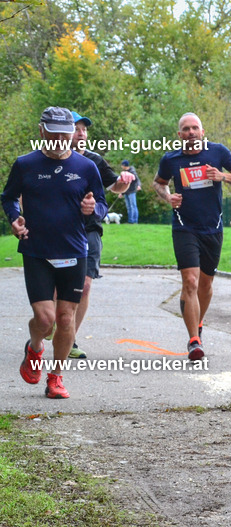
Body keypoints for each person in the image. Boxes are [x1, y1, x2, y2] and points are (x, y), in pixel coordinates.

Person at [1, 106, 108, 399]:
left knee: (65, 318)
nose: (60, 141)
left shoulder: (86, 167)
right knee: (45, 320)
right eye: (54, 135)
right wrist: (14, 219)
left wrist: (92, 209)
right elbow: (8, 197)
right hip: (37, 250)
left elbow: (102, 204)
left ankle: (56, 377)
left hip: (74, 250)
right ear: (41, 132)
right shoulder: (25, 164)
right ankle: (34, 348)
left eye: (65, 135)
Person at [153, 112, 231, 360]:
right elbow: (158, 183)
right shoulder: (171, 159)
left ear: (202, 132)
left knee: (205, 284)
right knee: (191, 283)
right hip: (184, 227)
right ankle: (194, 340)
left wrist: (223, 176)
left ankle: (198, 322)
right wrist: (167, 197)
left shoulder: (218, 152)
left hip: (212, 228)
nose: (191, 132)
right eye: (186, 129)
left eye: (195, 128)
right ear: (179, 135)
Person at [68, 112, 136, 359]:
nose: (82, 133)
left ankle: (69, 340)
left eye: (84, 129)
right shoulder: (49, 159)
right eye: (76, 128)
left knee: (84, 286)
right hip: (60, 229)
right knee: (58, 288)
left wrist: (124, 181)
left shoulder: (95, 161)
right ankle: (52, 323)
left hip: (90, 229)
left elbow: (115, 186)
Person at [120, 159, 141, 223]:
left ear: (124, 165)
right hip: (126, 191)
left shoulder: (132, 172)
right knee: (128, 207)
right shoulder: (124, 173)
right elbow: (124, 183)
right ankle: (130, 221)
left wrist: (138, 186)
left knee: (133, 206)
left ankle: (134, 221)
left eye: (122, 165)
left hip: (132, 191)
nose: (121, 166)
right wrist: (121, 193)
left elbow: (137, 180)